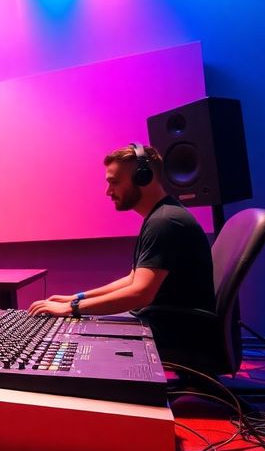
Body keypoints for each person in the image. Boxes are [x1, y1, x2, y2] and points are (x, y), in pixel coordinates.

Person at [28, 143, 215, 361]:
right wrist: (75, 298)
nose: (108, 191)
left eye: (114, 182)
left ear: (143, 178)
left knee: (70, 345)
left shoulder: (165, 223)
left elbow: (140, 293)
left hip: (176, 334)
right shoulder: (160, 217)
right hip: (166, 323)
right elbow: (133, 279)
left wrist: (71, 309)